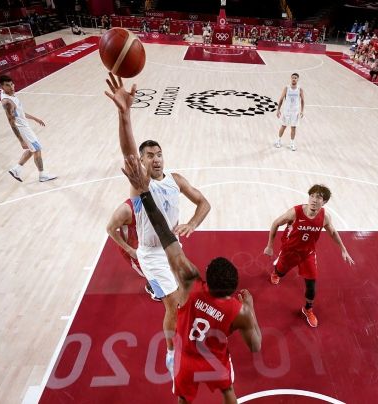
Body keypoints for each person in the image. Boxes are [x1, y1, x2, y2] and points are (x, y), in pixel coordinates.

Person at [121, 155, 262, 404]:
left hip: (186, 358)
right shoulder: (238, 310)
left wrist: (144, 194)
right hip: (215, 361)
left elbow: (165, 234)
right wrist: (251, 312)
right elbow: (255, 347)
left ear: (206, 276)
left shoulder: (190, 284)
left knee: (184, 399)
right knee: (229, 393)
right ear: (232, 288)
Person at [104, 72, 211, 373]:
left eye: (159, 154)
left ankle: (179, 335)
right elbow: (127, 150)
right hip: (151, 253)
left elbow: (205, 203)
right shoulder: (140, 184)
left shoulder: (176, 180)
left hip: (173, 248)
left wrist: (192, 223)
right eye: (149, 155)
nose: (156, 158)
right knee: (174, 303)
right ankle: (171, 349)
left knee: (187, 298)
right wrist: (125, 116)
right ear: (141, 161)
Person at [263, 184, 355, 328]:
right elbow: (275, 223)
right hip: (289, 251)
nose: (313, 200)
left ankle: (307, 309)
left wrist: (343, 249)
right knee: (280, 272)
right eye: (312, 196)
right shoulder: (295, 212)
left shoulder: (325, 216)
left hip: (308, 254)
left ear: (324, 202)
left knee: (311, 285)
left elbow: (332, 232)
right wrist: (269, 246)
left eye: (318, 197)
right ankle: (276, 272)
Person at [0, 75, 57, 182]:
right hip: (23, 129)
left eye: (11, 84)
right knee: (37, 149)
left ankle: (16, 170)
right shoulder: (7, 102)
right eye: (7, 85)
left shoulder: (8, 95)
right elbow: (11, 122)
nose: (11, 87)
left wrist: (35, 118)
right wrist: (21, 140)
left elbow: (19, 113)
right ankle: (42, 174)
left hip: (24, 126)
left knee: (32, 149)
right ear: (1, 87)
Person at [106, 198, 160, 301]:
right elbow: (110, 229)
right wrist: (130, 250)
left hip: (147, 244)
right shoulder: (125, 210)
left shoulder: (155, 199)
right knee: (156, 276)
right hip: (133, 250)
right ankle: (151, 287)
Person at [274, 73, 305, 151]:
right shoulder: (287, 88)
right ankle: (278, 140)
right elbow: (281, 99)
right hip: (287, 111)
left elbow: (302, 100)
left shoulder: (299, 89)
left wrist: (302, 111)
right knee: (283, 126)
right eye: (293, 78)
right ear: (291, 78)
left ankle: (292, 143)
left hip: (295, 112)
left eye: (295, 78)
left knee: (293, 128)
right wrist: (278, 110)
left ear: (298, 79)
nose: (294, 79)